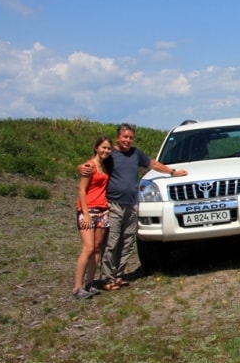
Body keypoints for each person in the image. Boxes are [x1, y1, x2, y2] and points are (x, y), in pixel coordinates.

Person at [80, 123, 187, 289]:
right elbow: (94, 163)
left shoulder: (136, 154)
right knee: (112, 242)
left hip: (132, 204)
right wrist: (81, 167)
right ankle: (107, 278)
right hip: (113, 204)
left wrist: (173, 172)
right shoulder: (110, 153)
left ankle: (118, 275)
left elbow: (153, 164)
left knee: (127, 241)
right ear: (118, 137)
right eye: (125, 137)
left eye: (130, 137)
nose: (127, 140)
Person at [72, 136, 113, 299]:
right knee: (88, 248)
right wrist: (86, 213)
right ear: (96, 148)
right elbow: (82, 190)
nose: (106, 151)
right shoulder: (89, 166)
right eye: (103, 147)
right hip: (88, 210)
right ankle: (77, 287)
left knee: (97, 249)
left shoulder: (104, 166)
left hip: (102, 210)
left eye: (108, 148)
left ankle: (90, 283)